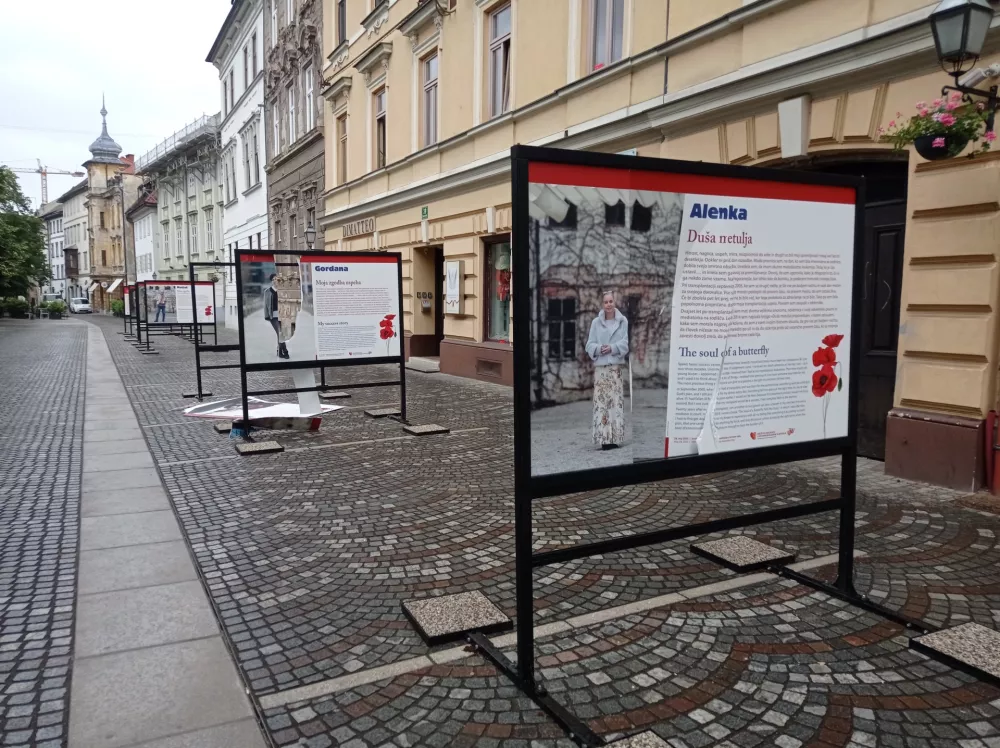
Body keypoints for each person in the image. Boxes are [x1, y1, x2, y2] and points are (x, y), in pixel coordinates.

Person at [585, 291, 629, 450]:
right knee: (602, 403)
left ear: (614, 302)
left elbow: (625, 344)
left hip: (615, 369)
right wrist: (598, 349)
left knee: (615, 402)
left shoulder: (623, 321)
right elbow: (589, 345)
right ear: (602, 304)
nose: (609, 304)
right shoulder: (596, 323)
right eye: (606, 302)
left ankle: (615, 437)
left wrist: (612, 347)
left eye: (611, 301)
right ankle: (604, 438)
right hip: (601, 370)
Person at [263, 274, 288, 359]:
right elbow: (265, 305)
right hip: (273, 316)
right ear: (272, 281)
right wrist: (267, 316)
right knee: (280, 333)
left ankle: (279, 351)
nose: (275, 280)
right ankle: (285, 351)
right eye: (273, 279)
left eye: (276, 279)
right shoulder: (267, 291)